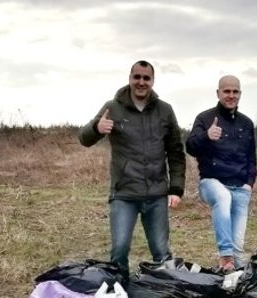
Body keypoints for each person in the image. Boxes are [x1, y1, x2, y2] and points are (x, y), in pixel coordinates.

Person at [79, 60, 185, 271]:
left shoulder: (165, 110)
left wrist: (176, 189)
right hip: (124, 194)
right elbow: (84, 138)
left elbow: (175, 152)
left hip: (156, 194)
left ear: (153, 81)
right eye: (137, 77)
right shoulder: (112, 107)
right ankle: (118, 296)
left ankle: (162, 295)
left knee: (161, 252)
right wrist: (96, 128)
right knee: (119, 250)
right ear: (129, 78)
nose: (141, 82)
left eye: (146, 78)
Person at [185, 75, 256, 272]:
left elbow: (252, 157)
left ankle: (230, 278)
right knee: (223, 198)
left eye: (235, 91)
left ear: (240, 94)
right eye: (227, 91)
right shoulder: (205, 118)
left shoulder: (247, 123)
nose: (231, 95)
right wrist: (206, 137)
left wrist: (249, 183)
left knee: (238, 253)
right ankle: (225, 255)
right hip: (212, 182)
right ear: (218, 93)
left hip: (241, 187)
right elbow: (190, 146)